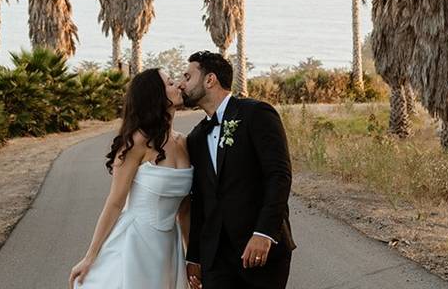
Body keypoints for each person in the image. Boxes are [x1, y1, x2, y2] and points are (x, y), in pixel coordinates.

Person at [179, 51, 295, 289]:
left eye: (188, 77)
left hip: (261, 251)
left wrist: (264, 233)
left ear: (209, 80)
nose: (182, 83)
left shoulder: (256, 113)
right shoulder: (196, 138)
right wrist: (195, 255)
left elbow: (279, 176)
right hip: (216, 260)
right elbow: (199, 200)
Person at [69, 68, 193, 289]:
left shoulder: (184, 143)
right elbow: (115, 202)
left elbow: (184, 209)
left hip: (168, 248)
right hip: (135, 242)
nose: (179, 86)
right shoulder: (136, 143)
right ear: (156, 95)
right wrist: (90, 256)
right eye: (170, 83)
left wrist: (190, 256)